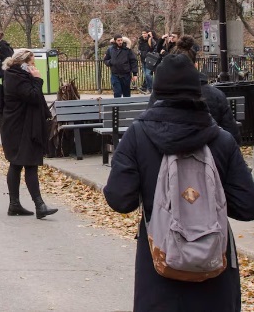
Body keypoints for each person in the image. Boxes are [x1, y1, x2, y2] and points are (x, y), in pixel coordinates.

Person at [104, 53, 254, 311]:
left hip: (160, 270)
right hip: (214, 271)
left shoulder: (138, 136)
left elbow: (120, 199)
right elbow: (247, 206)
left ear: (157, 90)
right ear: (198, 91)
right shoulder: (222, 140)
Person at [149, 35, 242, 143]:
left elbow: (150, 130)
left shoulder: (158, 95)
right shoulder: (215, 95)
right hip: (210, 148)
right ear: (195, 65)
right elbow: (232, 135)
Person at [0, 49, 57, 218]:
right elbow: (33, 96)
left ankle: (15, 205)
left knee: (18, 164)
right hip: (21, 128)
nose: (34, 66)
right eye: (32, 62)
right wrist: (38, 79)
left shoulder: (15, 75)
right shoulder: (17, 77)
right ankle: (39, 206)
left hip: (18, 126)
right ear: (24, 63)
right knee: (28, 163)